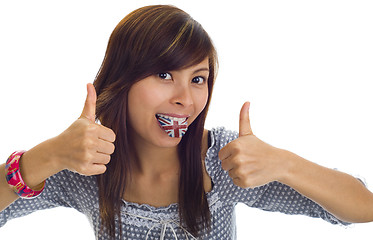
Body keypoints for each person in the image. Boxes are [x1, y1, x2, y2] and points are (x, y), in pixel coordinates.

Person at [1, 4, 373, 240]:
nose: (185, 98)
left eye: (198, 79)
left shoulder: (226, 162)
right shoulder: (86, 167)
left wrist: (285, 164)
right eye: (164, 74)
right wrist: (44, 157)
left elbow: (363, 208)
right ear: (123, 79)